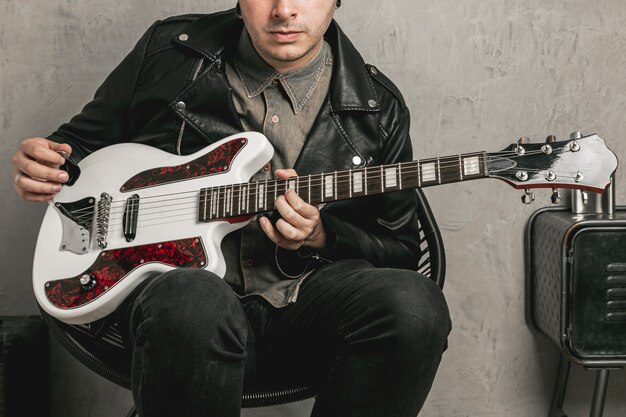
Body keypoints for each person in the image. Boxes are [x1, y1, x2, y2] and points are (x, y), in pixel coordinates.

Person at [11, 1, 451, 416]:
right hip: (175, 307)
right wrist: (45, 164)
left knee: (415, 306)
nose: (284, 11)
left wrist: (321, 236)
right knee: (194, 299)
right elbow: (77, 148)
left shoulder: (378, 106)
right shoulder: (170, 52)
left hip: (305, 311)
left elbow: (401, 252)